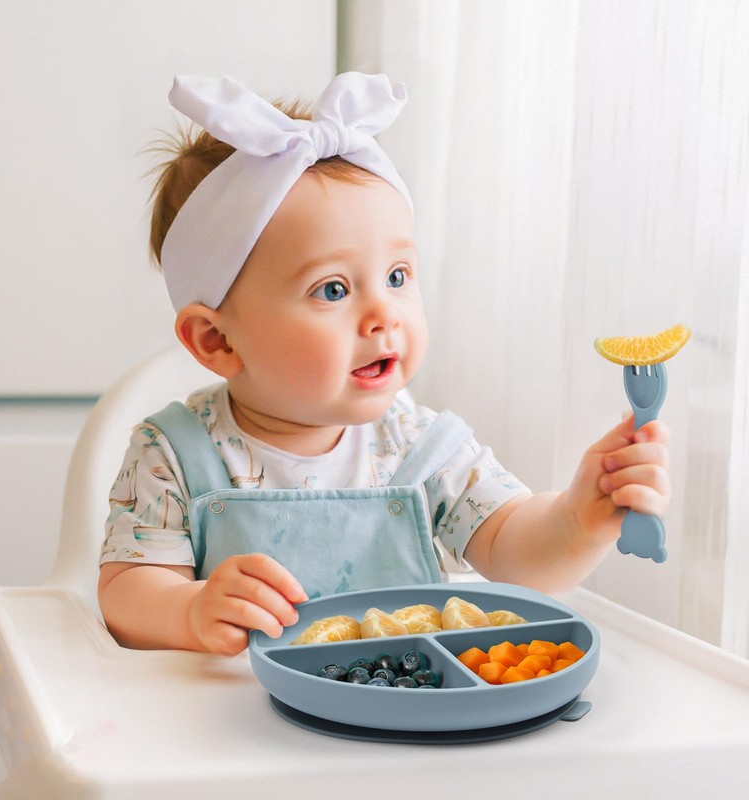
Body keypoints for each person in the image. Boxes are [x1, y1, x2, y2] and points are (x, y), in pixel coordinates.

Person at [98, 73, 670, 657]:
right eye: (333, 289)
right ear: (217, 340)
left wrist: (578, 517)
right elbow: (126, 591)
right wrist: (189, 610)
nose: (383, 315)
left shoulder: (421, 449)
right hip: (238, 731)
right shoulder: (174, 455)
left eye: (397, 277)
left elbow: (515, 553)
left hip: (405, 723)